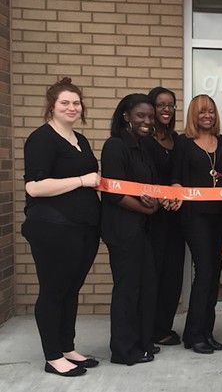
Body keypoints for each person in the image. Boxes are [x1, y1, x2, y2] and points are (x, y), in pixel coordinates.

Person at [22, 78, 101, 377]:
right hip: (53, 228)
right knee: (54, 290)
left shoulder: (80, 139)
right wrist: (82, 181)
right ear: (52, 106)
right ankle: (53, 356)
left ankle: (67, 348)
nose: (72, 107)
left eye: (76, 103)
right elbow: (34, 186)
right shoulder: (41, 139)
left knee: (71, 290)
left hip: (83, 228)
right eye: (65, 102)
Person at [101, 94, 163, 366]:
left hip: (142, 228)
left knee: (146, 285)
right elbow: (114, 193)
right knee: (127, 289)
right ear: (126, 116)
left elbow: (152, 187)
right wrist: (146, 209)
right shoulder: (115, 146)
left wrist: (155, 203)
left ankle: (142, 341)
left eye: (150, 116)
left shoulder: (144, 146)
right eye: (140, 115)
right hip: (122, 229)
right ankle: (123, 350)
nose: (147, 121)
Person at [171, 94, 222, 354]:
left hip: (220, 217)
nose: (208, 116)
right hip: (195, 218)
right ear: (193, 115)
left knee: (215, 274)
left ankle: (207, 331)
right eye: (202, 112)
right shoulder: (183, 144)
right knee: (204, 272)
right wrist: (175, 189)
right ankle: (193, 334)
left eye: (211, 111)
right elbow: (175, 178)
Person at [145, 87, 185, 347]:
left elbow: (180, 175)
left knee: (172, 274)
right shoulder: (144, 141)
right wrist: (159, 196)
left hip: (175, 217)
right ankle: (147, 329)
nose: (166, 109)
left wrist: (177, 189)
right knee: (152, 274)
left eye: (170, 105)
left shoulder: (178, 140)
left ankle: (162, 327)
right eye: (161, 105)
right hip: (150, 216)